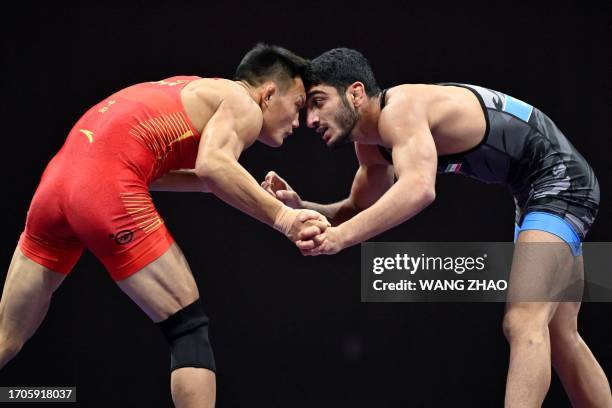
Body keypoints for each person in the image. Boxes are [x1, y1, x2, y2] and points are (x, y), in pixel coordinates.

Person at [262, 48, 611, 407]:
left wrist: (339, 239)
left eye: (319, 102)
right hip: (538, 190)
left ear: (355, 92)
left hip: (559, 182)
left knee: (523, 320)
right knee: (561, 334)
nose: (310, 120)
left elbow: (418, 189)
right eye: (306, 110)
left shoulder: (401, 110)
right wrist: (301, 206)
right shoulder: (370, 146)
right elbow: (357, 209)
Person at [0, 43, 329, 408]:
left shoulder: (189, 89)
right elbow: (213, 166)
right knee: (187, 327)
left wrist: (255, 192)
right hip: (103, 187)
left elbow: (176, 170)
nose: (299, 122)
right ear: (268, 93)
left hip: (56, 182)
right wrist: (285, 219)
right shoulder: (243, 104)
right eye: (298, 106)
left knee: (5, 339)